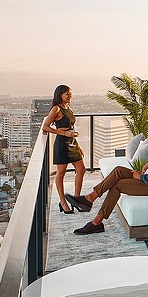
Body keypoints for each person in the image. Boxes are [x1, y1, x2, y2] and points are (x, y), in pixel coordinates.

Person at [73, 125, 148, 235]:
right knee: (118, 170)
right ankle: (90, 197)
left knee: (118, 185)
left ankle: (96, 222)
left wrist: (141, 177)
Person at [42, 85, 88, 213]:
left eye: (70, 93)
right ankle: (63, 202)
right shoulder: (56, 109)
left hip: (72, 143)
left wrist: (78, 146)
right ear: (60, 95)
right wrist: (63, 133)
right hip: (62, 144)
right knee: (61, 173)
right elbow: (45, 127)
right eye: (66, 93)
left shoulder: (67, 107)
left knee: (81, 170)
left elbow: (70, 128)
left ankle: (76, 200)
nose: (69, 95)